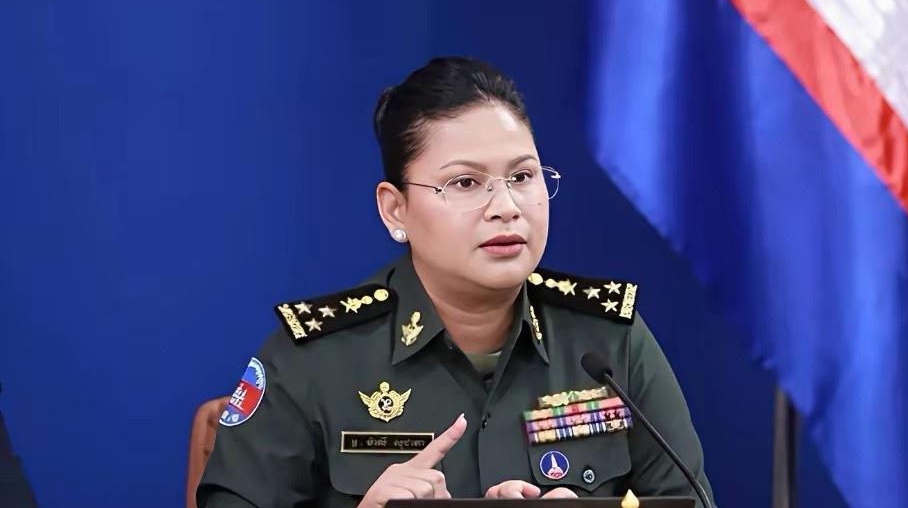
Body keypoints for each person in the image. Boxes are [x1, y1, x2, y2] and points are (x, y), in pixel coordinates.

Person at [197, 57, 714, 508]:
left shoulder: (608, 344)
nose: (506, 207)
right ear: (395, 209)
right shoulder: (315, 358)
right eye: (465, 182)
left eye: (522, 176)